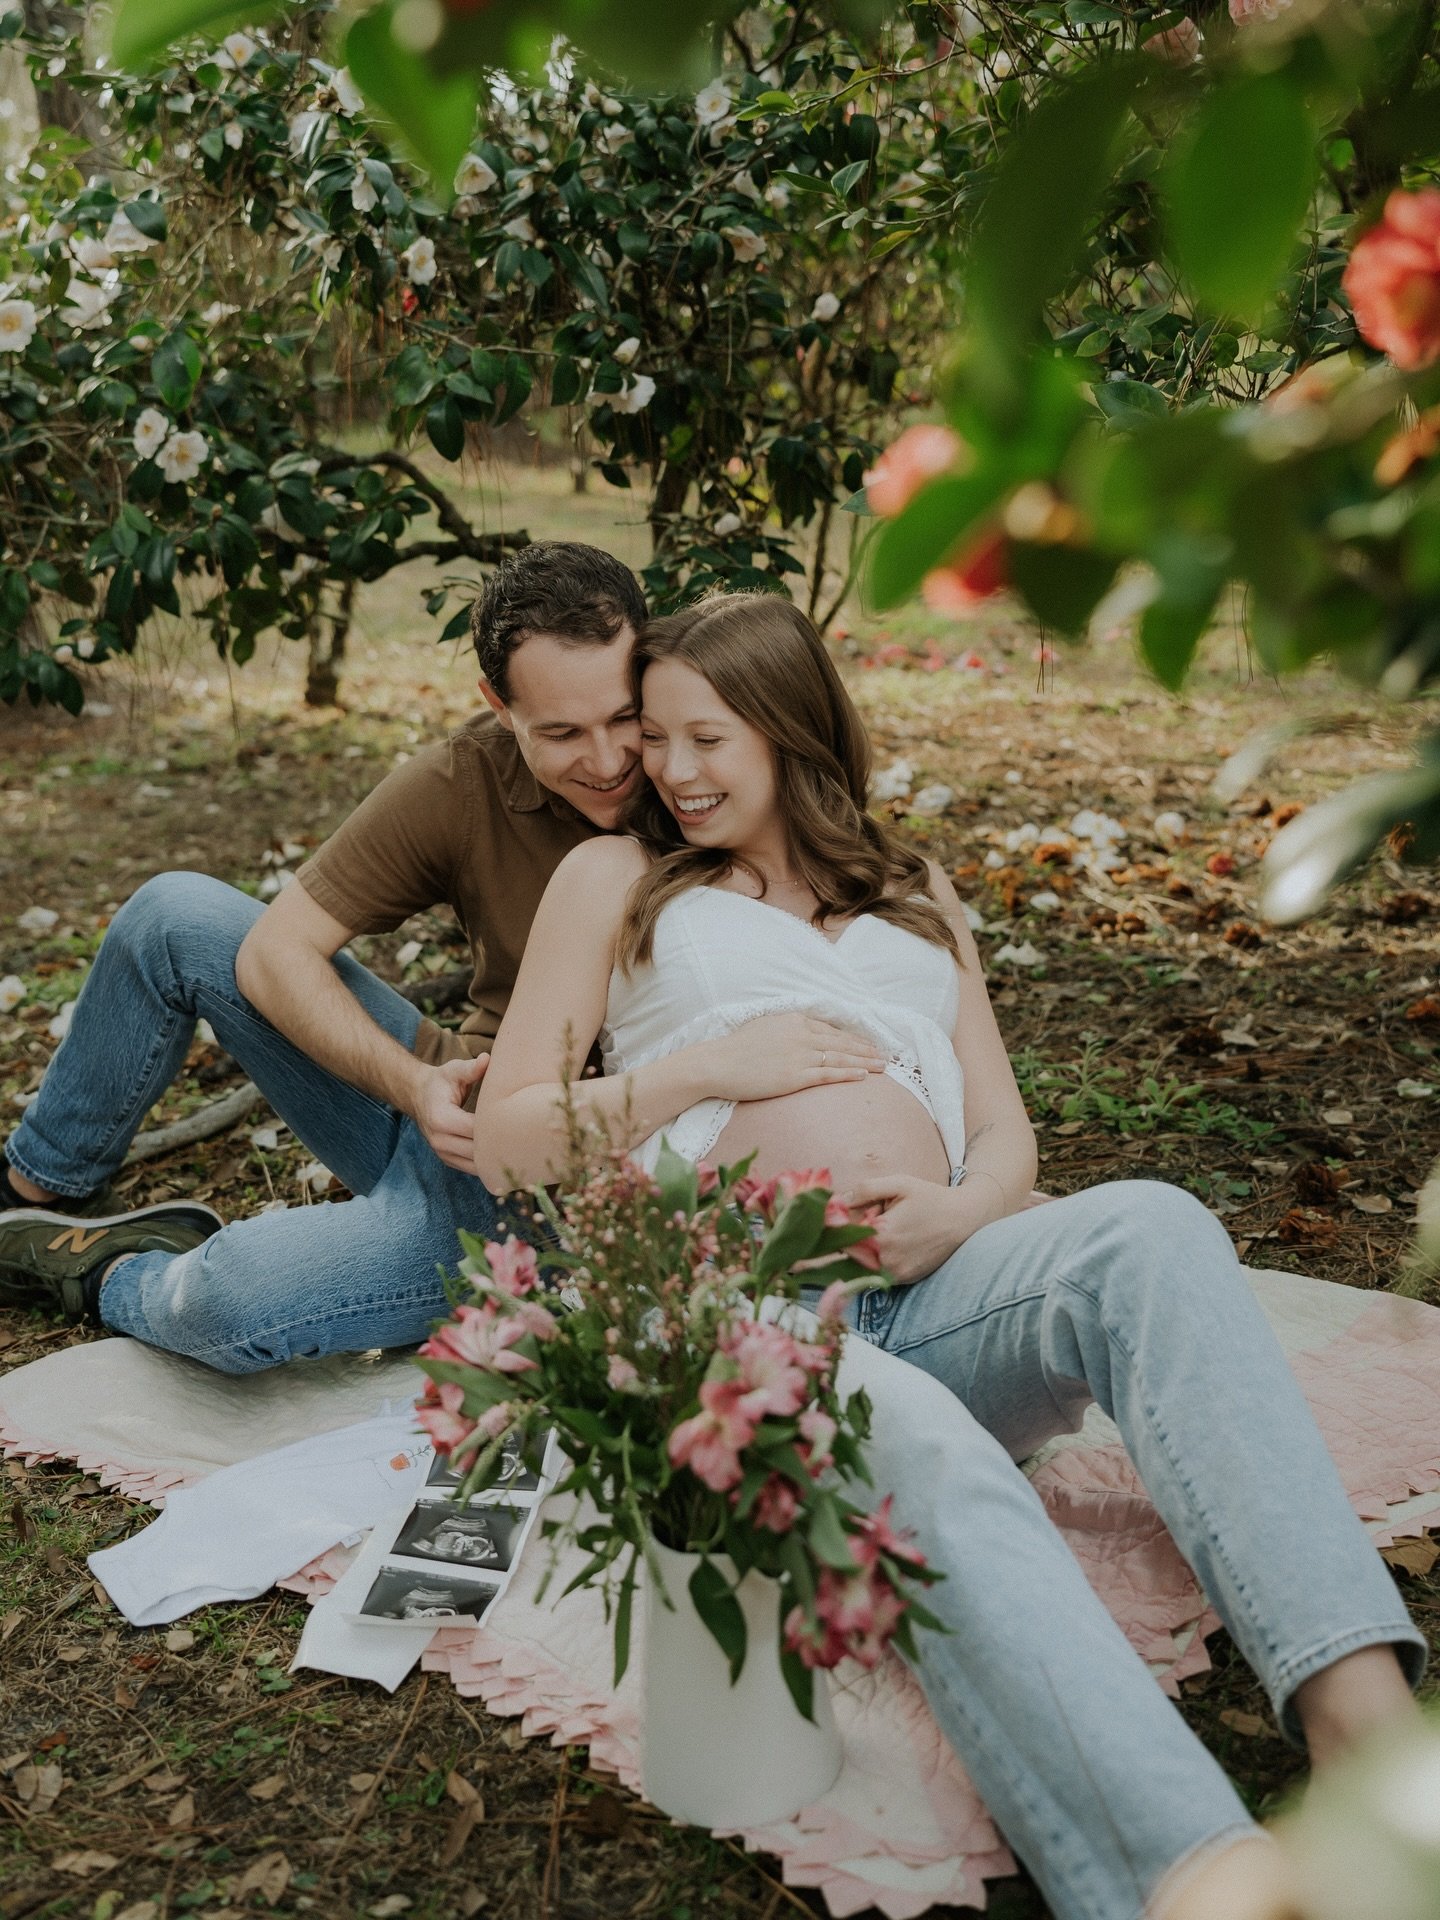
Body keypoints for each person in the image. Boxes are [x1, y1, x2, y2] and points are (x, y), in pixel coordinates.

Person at [471, 591, 1426, 1920]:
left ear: (793, 732)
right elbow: (513, 1141)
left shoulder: (915, 892)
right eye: (657, 738)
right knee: (909, 1429)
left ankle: (1361, 1723)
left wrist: (961, 1217)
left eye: (706, 740)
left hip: (935, 1291)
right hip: (743, 1322)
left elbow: (1003, 1135)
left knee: (1153, 1222)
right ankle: (1194, 1878)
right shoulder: (616, 881)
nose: (667, 772)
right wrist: (706, 1066)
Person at [0, 543, 646, 1369]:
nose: (607, 760)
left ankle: (99, 1270)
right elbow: (276, 954)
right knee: (173, 915)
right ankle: (35, 1193)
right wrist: (416, 1086)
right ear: (499, 705)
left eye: (624, 717)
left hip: (550, 1200)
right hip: (456, 1109)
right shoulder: (466, 779)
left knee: (228, 1300)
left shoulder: (705, 772)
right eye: (560, 732)